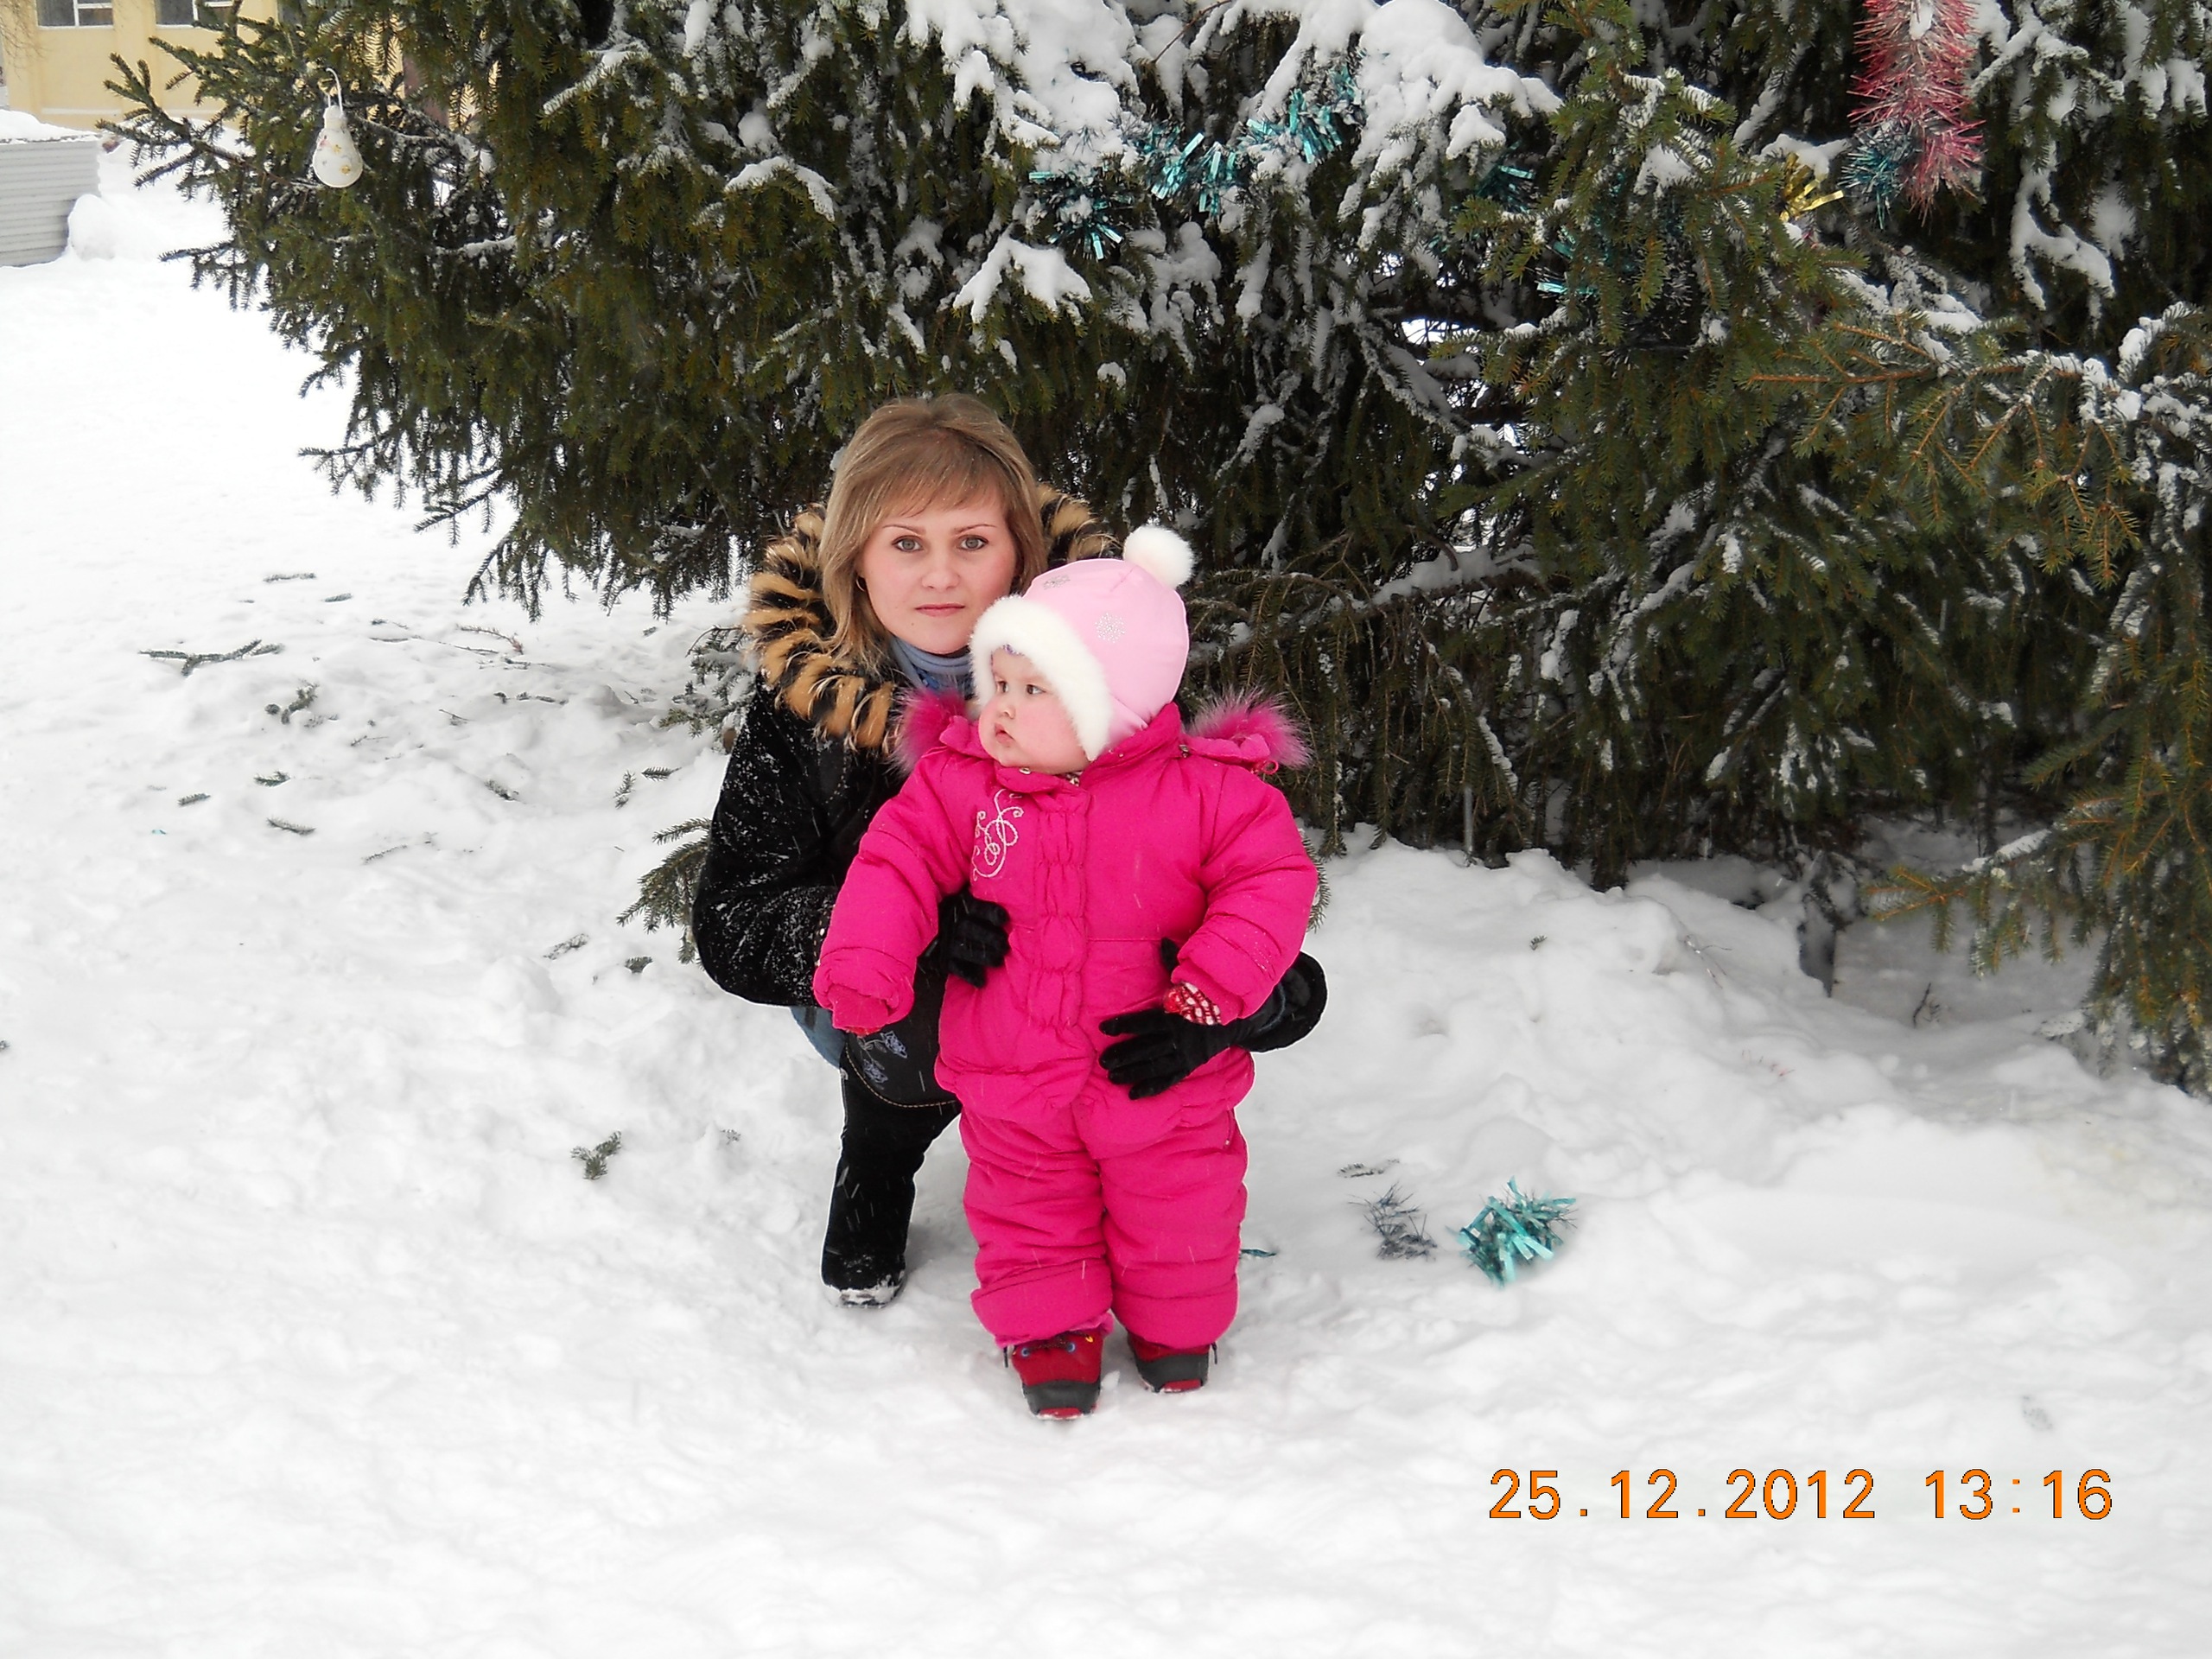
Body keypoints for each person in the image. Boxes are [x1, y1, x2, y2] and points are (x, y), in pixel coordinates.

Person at [690, 395, 1327, 1306]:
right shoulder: (804, 711)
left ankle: (1124, 1204)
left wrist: (1224, 1000)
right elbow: (732, 921)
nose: (940, 575)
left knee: (1243, 996)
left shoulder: (1107, 659)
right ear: (856, 558)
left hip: (1088, 987)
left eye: (972, 541)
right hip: (893, 1000)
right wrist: (902, 933)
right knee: (913, 1011)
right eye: (905, 543)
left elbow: (1223, 852)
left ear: (1021, 550)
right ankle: (878, 1153)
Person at [812, 530, 1319, 1416]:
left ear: (1111, 707)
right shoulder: (962, 787)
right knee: (1027, 1208)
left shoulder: (1209, 796)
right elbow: (895, 864)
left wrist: (1210, 994)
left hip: (1157, 1072)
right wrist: (867, 963)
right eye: (998, 684)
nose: (1001, 709)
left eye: (1033, 689)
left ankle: (1177, 1329)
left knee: (1181, 1207)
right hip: (1013, 1073)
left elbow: (1270, 881)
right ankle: (1050, 1335)